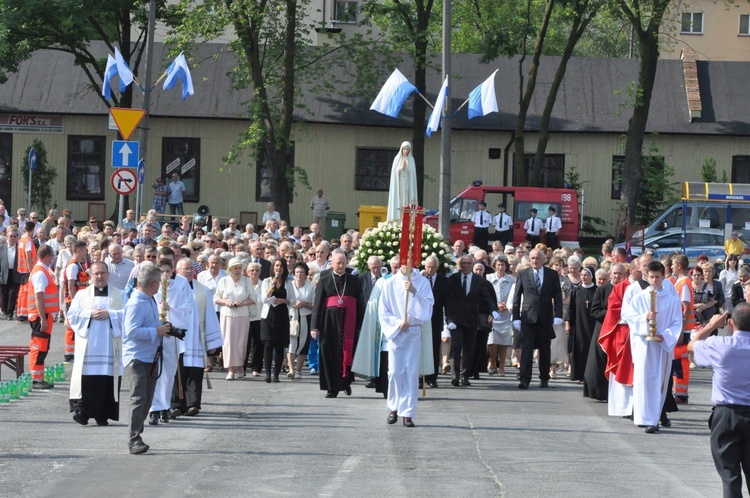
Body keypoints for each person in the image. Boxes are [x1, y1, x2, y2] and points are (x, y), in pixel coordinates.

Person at [689, 304, 750, 497]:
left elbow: (692, 345)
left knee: (730, 476)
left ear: (731, 324)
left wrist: (711, 325)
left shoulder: (719, 345)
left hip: (726, 415)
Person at [622, 261, 682, 434]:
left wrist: (665, 335)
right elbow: (628, 317)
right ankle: (643, 417)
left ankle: (654, 419)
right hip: (644, 345)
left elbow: (677, 322)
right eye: (652, 277)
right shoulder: (639, 297)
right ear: (646, 277)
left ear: (663, 277)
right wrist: (644, 318)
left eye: (658, 277)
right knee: (643, 380)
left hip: (662, 346)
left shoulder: (671, 300)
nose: (654, 280)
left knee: (659, 382)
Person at [123, 262, 172, 454]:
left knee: (147, 399)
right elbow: (131, 331)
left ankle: (137, 434)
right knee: (138, 398)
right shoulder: (136, 302)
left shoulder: (149, 299)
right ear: (153, 284)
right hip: (137, 358)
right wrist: (156, 331)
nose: (160, 285)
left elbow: (149, 323)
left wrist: (164, 328)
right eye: (158, 282)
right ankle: (134, 439)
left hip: (150, 356)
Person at [67, 261, 125, 426]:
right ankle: (83, 413)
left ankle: (103, 415)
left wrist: (110, 314)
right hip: (88, 347)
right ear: (90, 276)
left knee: (106, 379)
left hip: (110, 347)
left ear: (108, 274)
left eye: (102, 273)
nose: (99, 277)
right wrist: (90, 315)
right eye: (96, 274)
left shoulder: (120, 295)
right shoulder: (81, 295)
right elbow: (72, 315)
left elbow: (128, 314)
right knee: (87, 380)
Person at [380, 262, 434, 428]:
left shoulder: (422, 282)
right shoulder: (389, 283)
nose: (406, 265)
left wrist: (414, 292)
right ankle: (394, 407)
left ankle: (408, 413)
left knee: (410, 372)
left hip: (413, 332)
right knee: (395, 372)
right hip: (397, 332)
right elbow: (383, 310)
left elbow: (428, 309)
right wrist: (397, 323)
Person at [170, 258, 223, 418]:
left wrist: (211, 342)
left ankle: (193, 404)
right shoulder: (171, 288)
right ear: (177, 271)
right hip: (177, 338)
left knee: (195, 371)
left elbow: (210, 316)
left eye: (190, 269)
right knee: (177, 371)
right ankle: (177, 405)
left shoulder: (202, 290)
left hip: (196, 337)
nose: (188, 271)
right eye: (184, 269)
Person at [310, 253, 364, 398]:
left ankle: (345, 382)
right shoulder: (324, 279)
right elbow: (318, 304)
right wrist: (314, 327)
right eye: (338, 263)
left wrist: (362, 324)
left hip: (349, 322)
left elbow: (359, 303)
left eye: (343, 263)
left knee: (348, 351)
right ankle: (331, 387)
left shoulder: (354, 280)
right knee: (329, 353)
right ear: (332, 264)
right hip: (329, 323)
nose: (340, 266)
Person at [148, 257, 192, 425]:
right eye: (162, 271)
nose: (165, 275)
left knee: (168, 374)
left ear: (173, 271)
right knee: (154, 373)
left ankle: (165, 406)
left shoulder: (177, 290)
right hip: (154, 336)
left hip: (170, 338)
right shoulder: (152, 289)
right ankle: (153, 409)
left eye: (167, 271)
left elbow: (185, 314)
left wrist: (169, 309)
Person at [512, 248, 563, 389]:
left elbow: (557, 296)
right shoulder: (523, 273)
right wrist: (515, 317)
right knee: (527, 349)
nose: (535, 261)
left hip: (545, 318)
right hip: (528, 318)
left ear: (543, 259)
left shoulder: (552, 274)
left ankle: (544, 378)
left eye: (537, 258)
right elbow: (517, 297)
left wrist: (558, 315)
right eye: (532, 258)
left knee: (545, 349)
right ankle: (524, 379)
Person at [445, 255, 496, 387]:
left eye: (469, 263)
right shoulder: (453, 279)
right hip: (456, 320)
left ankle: (464, 375)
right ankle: (455, 375)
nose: (466, 265)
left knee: (469, 348)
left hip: (472, 319)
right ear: (460, 265)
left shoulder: (479, 280)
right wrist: (449, 318)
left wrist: (493, 310)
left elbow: (486, 297)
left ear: (472, 265)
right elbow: (448, 301)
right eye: (464, 263)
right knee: (456, 347)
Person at [585, 263, 626, 402]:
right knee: (600, 360)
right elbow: (595, 311)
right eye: (614, 273)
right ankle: (601, 392)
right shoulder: (602, 290)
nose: (617, 276)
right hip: (604, 329)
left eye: (620, 273)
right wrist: (613, 314)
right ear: (610, 274)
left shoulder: (628, 289)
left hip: (621, 331)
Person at [214, 257, 256, 380]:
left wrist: (243, 302)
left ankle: (240, 367)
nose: (238, 270)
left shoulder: (247, 281)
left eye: (239, 268)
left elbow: (254, 298)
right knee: (228, 342)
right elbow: (216, 298)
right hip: (227, 314)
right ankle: (230, 369)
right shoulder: (223, 281)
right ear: (230, 269)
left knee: (241, 342)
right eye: (235, 268)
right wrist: (226, 301)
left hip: (242, 314)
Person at [26, 245, 58, 389]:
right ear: (47, 256)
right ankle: (36, 379)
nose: (53, 259)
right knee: (39, 347)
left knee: (42, 346)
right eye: (52, 256)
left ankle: (38, 377)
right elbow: (39, 297)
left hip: (43, 315)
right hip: (41, 316)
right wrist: (43, 319)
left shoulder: (41, 270)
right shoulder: (40, 273)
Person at [260, 258, 291, 383]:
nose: (279, 268)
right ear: (273, 267)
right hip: (268, 316)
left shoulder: (289, 283)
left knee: (279, 346)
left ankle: (276, 375)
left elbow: (292, 300)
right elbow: (264, 299)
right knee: (268, 345)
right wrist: (272, 286)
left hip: (282, 316)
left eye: (281, 266)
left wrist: (283, 301)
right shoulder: (267, 281)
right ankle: (267, 373)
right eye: (276, 265)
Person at [486, 256, 515, 377]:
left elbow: (515, 295)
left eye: (503, 265)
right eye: (498, 265)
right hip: (493, 313)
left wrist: (508, 305)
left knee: (504, 341)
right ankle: (492, 361)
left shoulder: (512, 280)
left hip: (507, 314)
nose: (500, 267)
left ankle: (502, 366)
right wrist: (495, 306)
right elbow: (486, 295)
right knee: (492, 340)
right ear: (494, 266)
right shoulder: (488, 278)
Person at [423, 255, 449, 387]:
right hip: (421, 321)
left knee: (433, 349)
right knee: (420, 349)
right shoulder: (420, 279)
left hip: (435, 320)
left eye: (433, 267)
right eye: (428, 267)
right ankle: (420, 377)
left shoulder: (443, 281)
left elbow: (447, 303)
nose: (430, 269)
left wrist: (449, 320)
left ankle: (432, 378)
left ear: (437, 268)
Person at [568, 266, 598, 383]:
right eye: (582, 275)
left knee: (590, 349)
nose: (584, 277)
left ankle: (590, 375)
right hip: (579, 324)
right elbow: (571, 308)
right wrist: (569, 322)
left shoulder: (596, 290)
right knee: (579, 349)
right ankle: (580, 375)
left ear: (591, 276)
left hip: (592, 324)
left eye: (586, 275)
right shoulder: (577, 290)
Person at [62, 241, 90, 363]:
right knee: (72, 327)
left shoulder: (79, 264)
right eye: (85, 251)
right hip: (73, 301)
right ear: (79, 250)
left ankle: (74, 353)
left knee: (77, 327)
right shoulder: (73, 266)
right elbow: (71, 285)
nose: (86, 254)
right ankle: (69, 355)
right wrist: (74, 302)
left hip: (79, 300)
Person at [286, 263, 314, 379]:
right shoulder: (288, 285)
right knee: (291, 343)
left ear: (306, 274)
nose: (299, 274)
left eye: (301, 272)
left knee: (303, 343)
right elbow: (286, 300)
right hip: (291, 316)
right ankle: (291, 369)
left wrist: (304, 304)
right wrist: (293, 303)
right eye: (297, 272)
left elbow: (314, 305)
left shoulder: (310, 287)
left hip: (305, 316)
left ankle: (299, 370)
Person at [386, 141, 418, 222]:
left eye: (407, 149)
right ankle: (398, 218)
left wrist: (406, 168)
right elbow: (394, 172)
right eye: (404, 149)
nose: (405, 151)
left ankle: (407, 218)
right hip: (399, 184)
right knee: (399, 200)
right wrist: (401, 168)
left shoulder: (411, 160)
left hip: (407, 184)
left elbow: (412, 173)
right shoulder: (397, 159)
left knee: (407, 200)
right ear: (401, 149)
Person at [244, 263, 264, 376]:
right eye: (252, 270)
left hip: (259, 317)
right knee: (245, 343)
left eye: (257, 270)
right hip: (245, 317)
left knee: (258, 343)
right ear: (247, 272)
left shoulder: (264, 284)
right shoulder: (244, 285)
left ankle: (256, 368)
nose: (254, 272)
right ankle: (242, 367)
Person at [16, 221, 37, 323]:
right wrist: (31, 271)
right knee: (27, 293)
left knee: (22, 293)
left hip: (21, 270)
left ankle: (20, 312)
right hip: (27, 270)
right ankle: (24, 313)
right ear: (32, 229)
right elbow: (28, 258)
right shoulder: (28, 241)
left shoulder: (21, 240)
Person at [0, 228, 20, 320]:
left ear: (17, 237)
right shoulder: (2, 248)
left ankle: (10, 313)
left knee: (12, 293)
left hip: (15, 273)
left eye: (14, 236)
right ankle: (4, 310)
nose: (12, 238)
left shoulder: (20, 248)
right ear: (7, 237)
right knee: (4, 293)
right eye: (10, 236)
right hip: (4, 273)